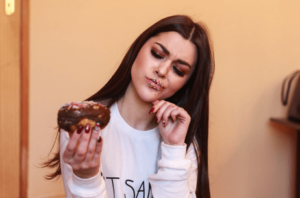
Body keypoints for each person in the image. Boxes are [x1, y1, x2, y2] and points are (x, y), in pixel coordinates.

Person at [43, 15, 214, 198]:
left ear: (186, 84)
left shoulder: (183, 142)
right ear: (138, 48)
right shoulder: (84, 124)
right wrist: (86, 178)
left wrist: (173, 149)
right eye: (157, 54)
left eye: (178, 70)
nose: (162, 71)